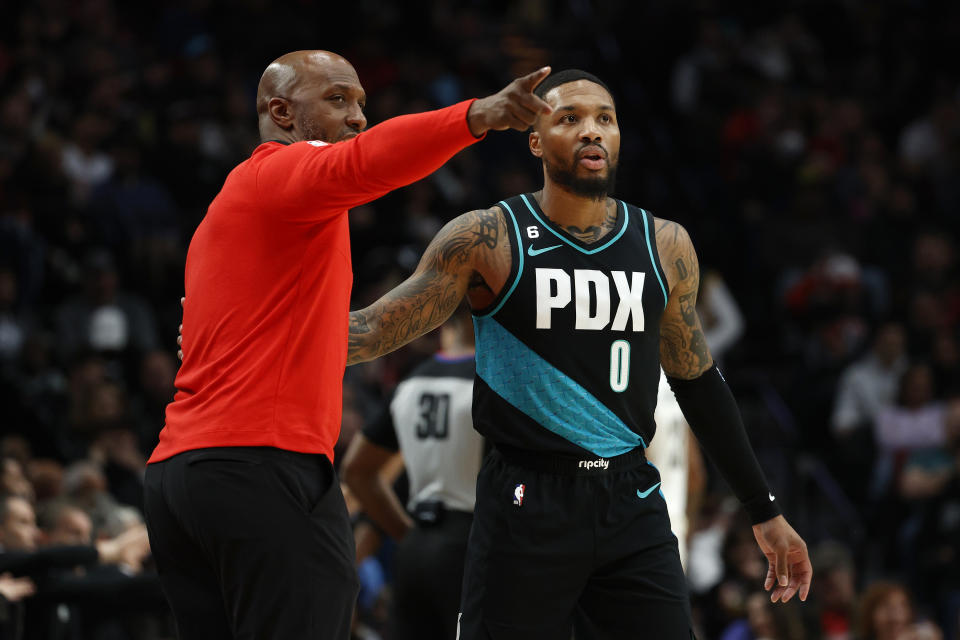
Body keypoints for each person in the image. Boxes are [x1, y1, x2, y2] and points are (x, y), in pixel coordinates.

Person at [348, 69, 812, 638]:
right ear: (536, 140)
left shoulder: (664, 244)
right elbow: (370, 331)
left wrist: (763, 508)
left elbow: (697, 380)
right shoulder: (487, 237)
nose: (591, 130)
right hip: (525, 500)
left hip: (630, 497)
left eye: (605, 119)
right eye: (570, 118)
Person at [145, 49, 554, 640]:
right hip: (262, 465)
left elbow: (326, 336)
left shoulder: (229, 217)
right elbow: (368, 163)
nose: (359, 117)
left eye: (362, 102)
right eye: (338, 100)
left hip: (182, 477)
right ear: (281, 113)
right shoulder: (280, 173)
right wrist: (479, 115)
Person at [342, 306, 482, 640]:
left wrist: (406, 533)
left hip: (416, 549)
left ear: (446, 325)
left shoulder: (411, 383)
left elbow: (356, 471)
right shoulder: (494, 381)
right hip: (471, 549)